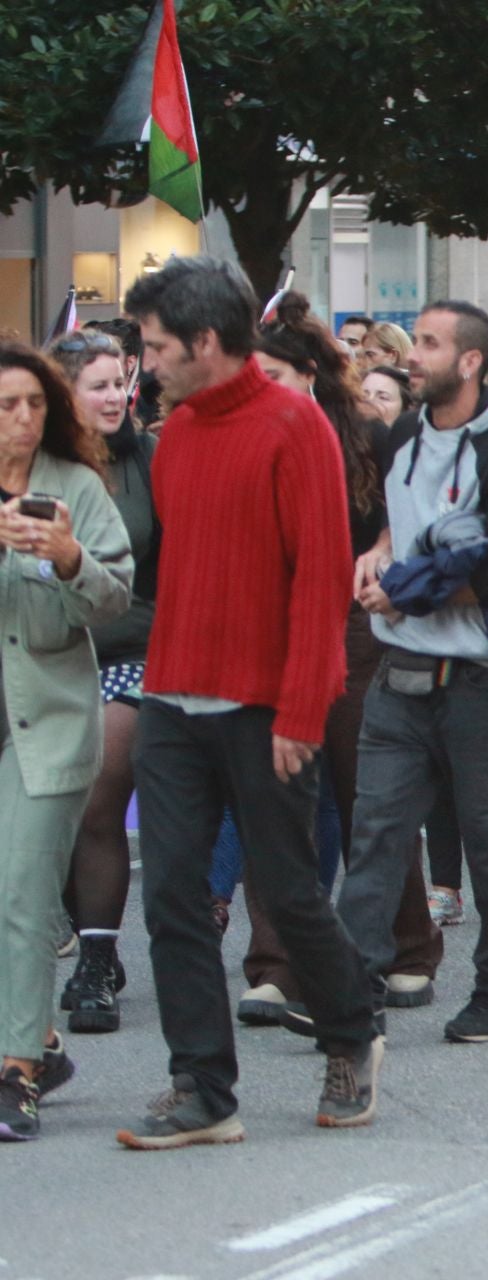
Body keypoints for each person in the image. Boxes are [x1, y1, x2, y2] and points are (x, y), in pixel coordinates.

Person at [119, 258, 378, 1146]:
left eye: (155, 348)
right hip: (172, 699)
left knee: (288, 892)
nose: (144, 364)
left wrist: (302, 714)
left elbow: (320, 584)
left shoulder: (294, 427)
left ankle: (352, 1033)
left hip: (266, 707)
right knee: (173, 899)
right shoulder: (178, 433)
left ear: (203, 342)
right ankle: (201, 1086)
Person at [333, 300, 488, 1046]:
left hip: (479, 677)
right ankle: (354, 993)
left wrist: (409, 589)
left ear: (468, 361)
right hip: (401, 669)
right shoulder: (405, 432)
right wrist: (382, 550)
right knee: (375, 832)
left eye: (428, 344)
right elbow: (400, 513)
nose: (411, 356)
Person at [244, 294, 445, 1022]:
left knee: (373, 793)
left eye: (272, 374)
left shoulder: (367, 431)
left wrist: (384, 548)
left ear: (307, 374)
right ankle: (276, 964)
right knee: (273, 796)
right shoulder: (245, 434)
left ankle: (409, 948)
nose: (259, 388)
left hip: (356, 622)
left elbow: (408, 516)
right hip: (272, 625)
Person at [0, 344, 132, 1140]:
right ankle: (40, 1042)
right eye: (6, 405)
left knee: (22, 893)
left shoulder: (75, 487)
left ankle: (14, 1069)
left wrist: (69, 557)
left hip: (45, 723)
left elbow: (115, 597)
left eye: (34, 404)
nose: (22, 419)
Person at [41, 332, 151, 1037]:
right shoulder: (39, 467)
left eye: (122, 383)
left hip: (136, 651)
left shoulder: (151, 459)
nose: (115, 397)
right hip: (46, 654)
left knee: (100, 793)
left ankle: (97, 963)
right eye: (100, 385)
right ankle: (68, 933)